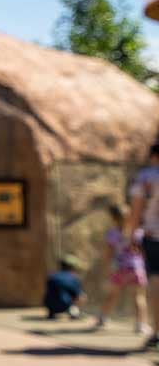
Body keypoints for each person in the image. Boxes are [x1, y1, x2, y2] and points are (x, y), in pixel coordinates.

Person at [94, 204, 148, 334]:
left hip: (120, 268)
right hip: (135, 268)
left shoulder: (113, 233)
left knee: (112, 295)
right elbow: (143, 252)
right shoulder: (138, 233)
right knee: (138, 297)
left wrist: (107, 268)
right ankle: (140, 324)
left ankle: (102, 317)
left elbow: (109, 253)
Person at [128, 142, 159, 349]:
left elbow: (137, 210)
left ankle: (157, 330)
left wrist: (132, 235)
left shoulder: (147, 177)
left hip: (153, 235)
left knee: (156, 282)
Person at [44, 255, 86, 319]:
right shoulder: (73, 278)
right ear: (72, 267)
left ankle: (52, 313)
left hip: (49, 305)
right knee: (81, 296)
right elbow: (78, 295)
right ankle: (74, 312)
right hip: (64, 305)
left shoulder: (52, 276)